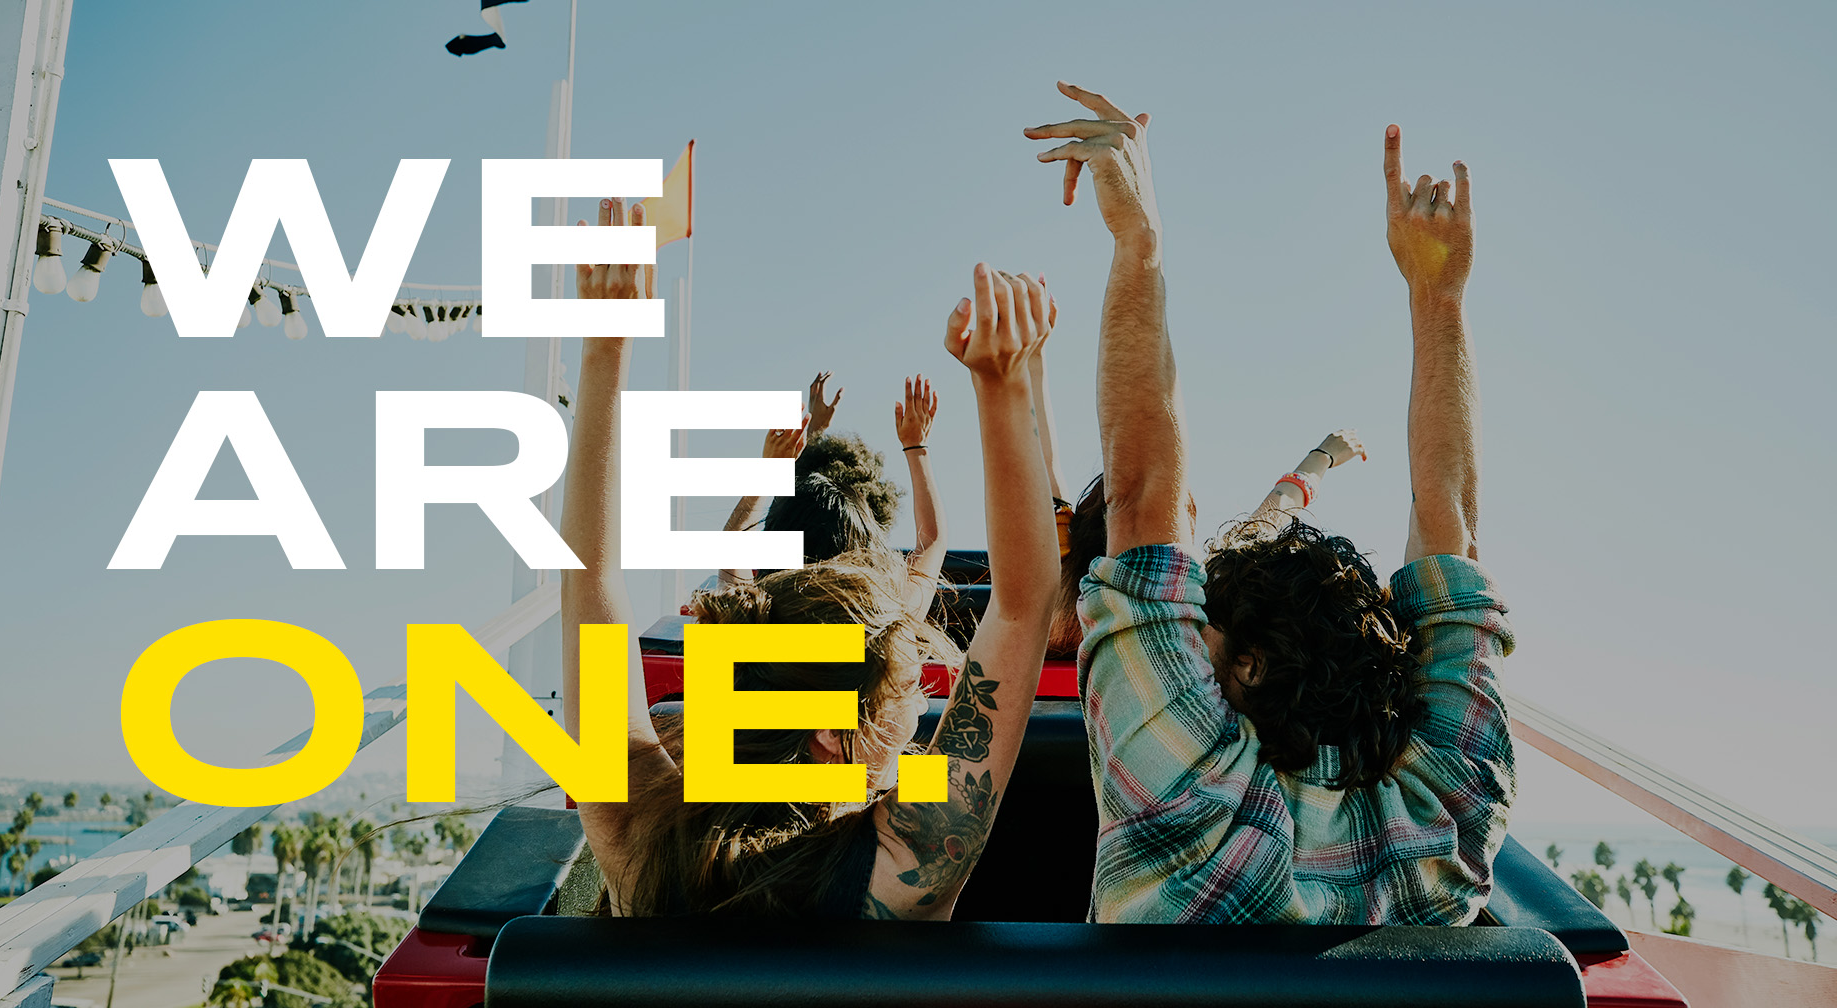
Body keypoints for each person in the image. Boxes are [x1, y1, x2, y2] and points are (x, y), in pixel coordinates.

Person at [1028, 83, 1514, 925]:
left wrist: (1139, 241)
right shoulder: (1451, 823)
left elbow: (1144, 502)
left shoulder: (1184, 804)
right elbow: (1454, 528)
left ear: (1249, 666)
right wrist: (1440, 296)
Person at [559, 196, 1059, 919]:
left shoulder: (638, 841)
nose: (922, 712)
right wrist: (1006, 384)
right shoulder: (897, 874)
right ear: (833, 731)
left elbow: (587, 581)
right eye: (907, 696)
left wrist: (605, 348)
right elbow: (1023, 606)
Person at [1046, 429, 1366, 659]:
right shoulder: (1198, 598)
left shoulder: (1046, 583)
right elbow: (1272, 518)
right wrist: (1322, 457)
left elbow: (1047, 483)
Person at [719, 375, 949, 621]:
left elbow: (734, 540)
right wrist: (917, 446)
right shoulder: (886, 625)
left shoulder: (749, 622)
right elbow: (931, 541)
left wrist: (771, 471)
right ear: (863, 555)